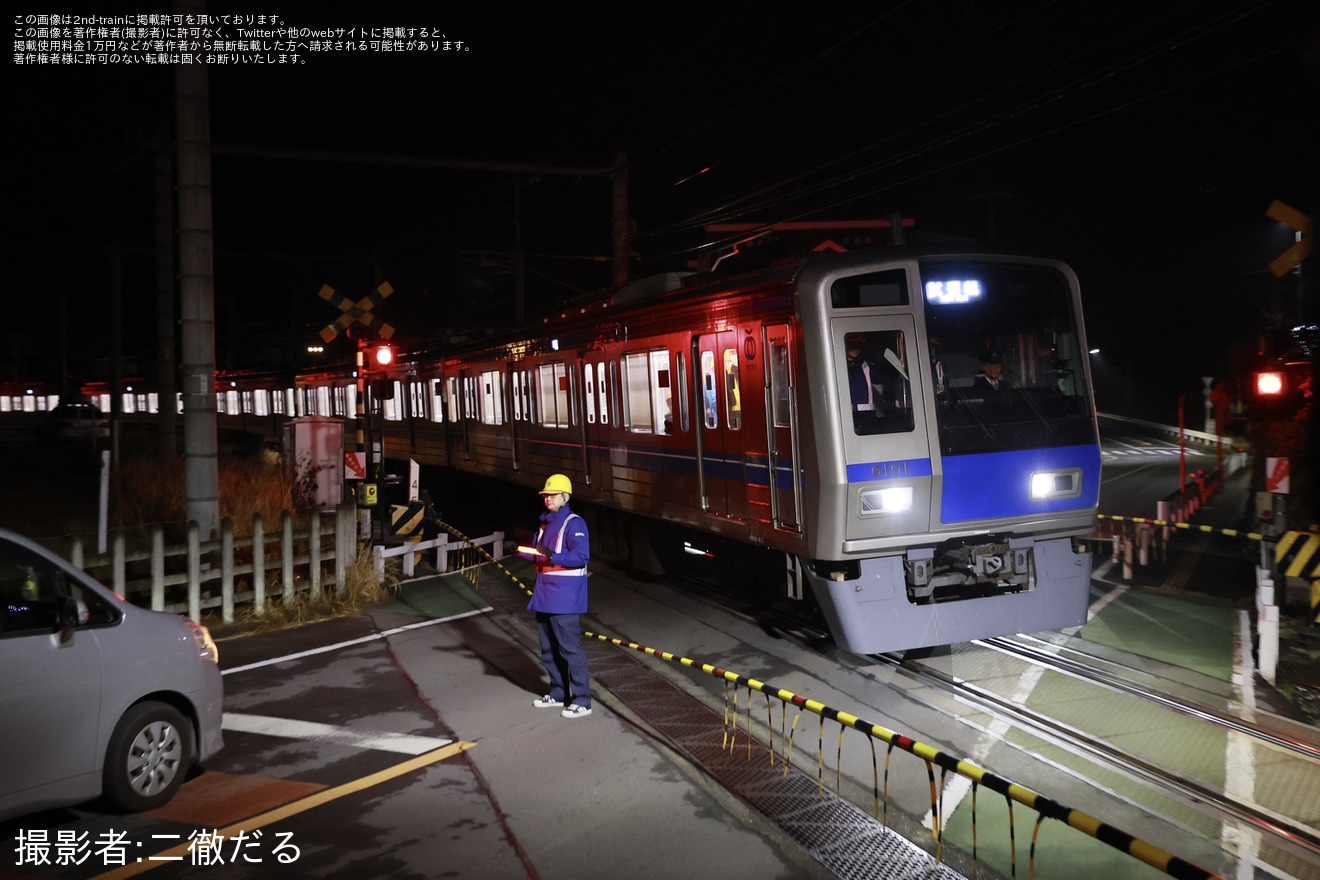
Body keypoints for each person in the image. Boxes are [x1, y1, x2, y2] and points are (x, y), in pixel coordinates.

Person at [519, 473, 593, 719]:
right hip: (543, 595)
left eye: (552, 495)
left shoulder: (574, 523)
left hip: (564, 598)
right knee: (548, 649)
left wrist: (553, 556)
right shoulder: (544, 523)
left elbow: (581, 557)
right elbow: (538, 553)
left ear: (565, 497)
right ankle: (559, 693)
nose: (548, 499)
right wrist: (520, 550)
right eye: (545, 495)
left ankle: (583, 700)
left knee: (570, 649)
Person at [845, 334, 877, 416]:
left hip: (866, 418)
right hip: (845, 418)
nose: (856, 348)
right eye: (852, 345)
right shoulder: (837, 367)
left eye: (858, 345)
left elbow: (886, 377)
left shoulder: (867, 367)